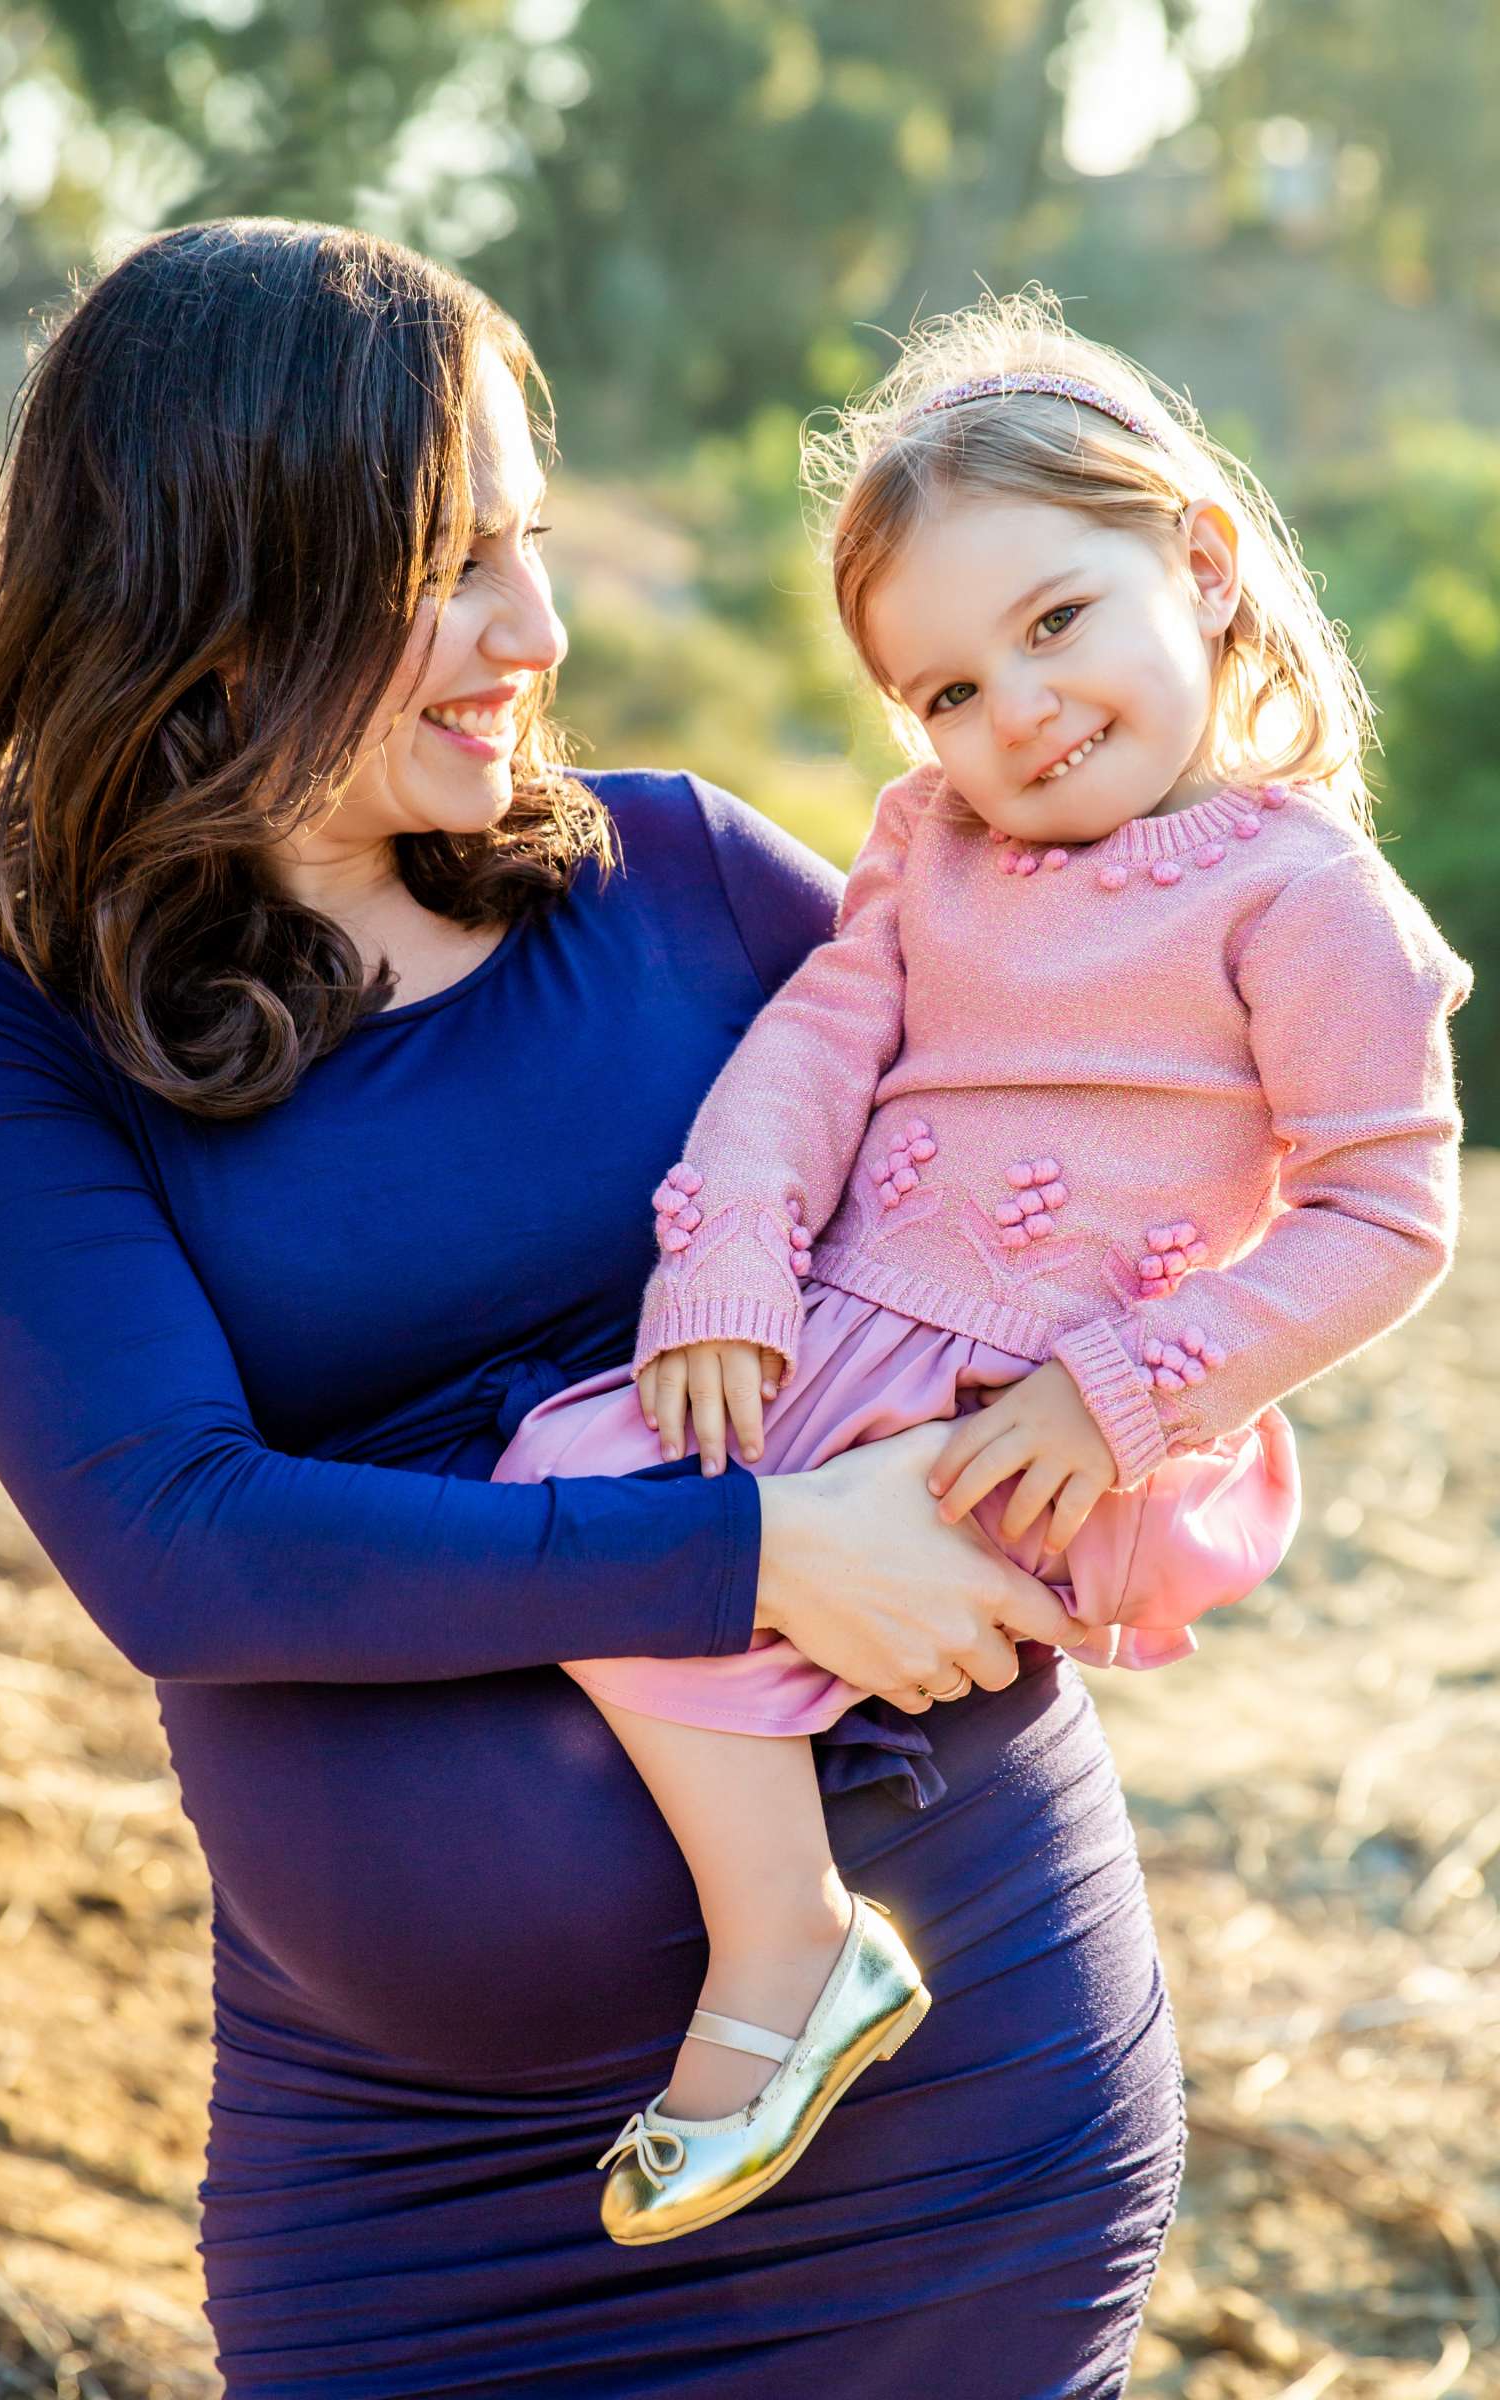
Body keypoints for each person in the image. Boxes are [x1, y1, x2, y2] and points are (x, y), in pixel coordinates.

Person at [0, 227, 1185, 2398]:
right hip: (415, 2207)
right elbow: (182, 1545)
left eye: (535, 541)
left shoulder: (688, 875)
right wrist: (764, 1550)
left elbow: (1102, 1152)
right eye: (451, 565)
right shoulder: (4, 1024)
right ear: (228, 577)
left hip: (944, 2133)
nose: (540, 631)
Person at [494, 290, 1472, 2245]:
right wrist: (726, 1265)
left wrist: (1119, 1396)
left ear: (1193, 570)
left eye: (1051, 625)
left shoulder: (1303, 899)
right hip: (848, 1338)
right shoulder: (922, 845)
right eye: (941, 689)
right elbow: (809, 1048)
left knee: (599, 1523)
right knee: (566, 1492)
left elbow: (1390, 1214)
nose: (1008, 712)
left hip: (1048, 1411)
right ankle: (782, 1918)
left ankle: (784, 1951)